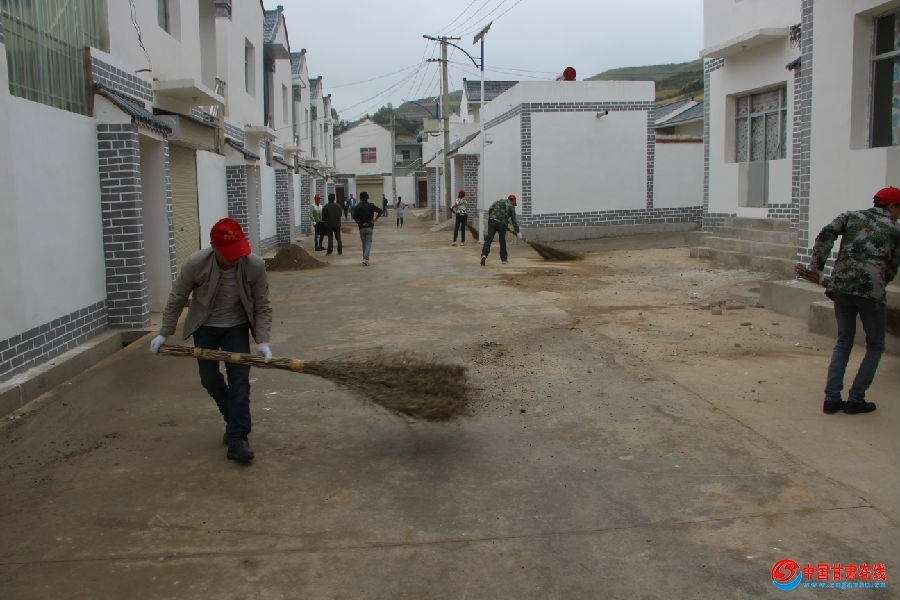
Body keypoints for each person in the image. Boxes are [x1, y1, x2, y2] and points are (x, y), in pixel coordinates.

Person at [149, 218, 273, 463]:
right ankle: (234, 420)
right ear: (214, 247)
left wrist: (263, 341)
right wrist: (164, 332)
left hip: (236, 327)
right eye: (229, 253)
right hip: (205, 327)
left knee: (239, 380)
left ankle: (238, 439)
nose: (235, 258)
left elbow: (262, 304)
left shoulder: (254, 265)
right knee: (209, 380)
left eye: (238, 251)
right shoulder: (196, 264)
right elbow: (177, 297)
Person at [808, 186, 900, 415]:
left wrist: (816, 268)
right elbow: (892, 266)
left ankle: (831, 399)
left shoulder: (851, 216)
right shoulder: (895, 229)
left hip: (841, 288)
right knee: (876, 345)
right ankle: (856, 399)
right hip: (871, 294)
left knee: (844, 341)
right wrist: (880, 282)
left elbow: (826, 233)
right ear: (891, 205)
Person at [481, 194, 522, 266]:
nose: (514, 204)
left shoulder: (499, 201)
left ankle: (484, 255)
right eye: (514, 203)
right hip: (501, 224)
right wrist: (518, 232)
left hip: (492, 221)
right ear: (513, 201)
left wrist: (493, 217)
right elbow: (514, 220)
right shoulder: (511, 206)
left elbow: (490, 209)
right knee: (502, 241)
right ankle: (504, 259)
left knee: (489, 239)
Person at [351, 191, 383, 266]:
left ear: (360, 198)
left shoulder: (357, 207)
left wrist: (360, 223)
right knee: (368, 243)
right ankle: (366, 258)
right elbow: (380, 211)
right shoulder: (371, 205)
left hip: (361, 228)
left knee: (364, 244)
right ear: (368, 197)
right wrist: (375, 219)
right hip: (369, 227)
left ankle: (365, 259)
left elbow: (354, 216)